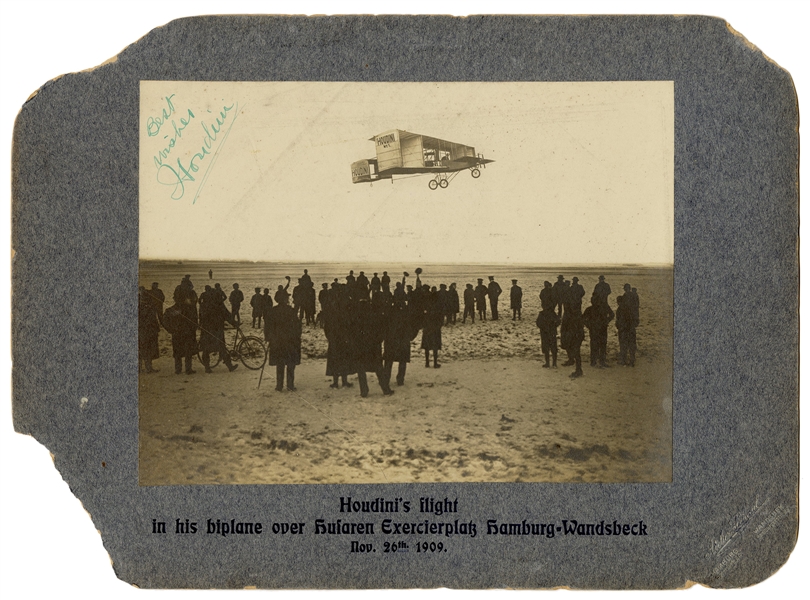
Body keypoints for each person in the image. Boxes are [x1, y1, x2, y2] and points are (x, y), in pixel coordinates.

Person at [351, 296, 393, 397]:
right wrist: (378, 340)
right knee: (378, 368)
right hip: (373, 347)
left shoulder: (356, 316)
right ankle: (385, 389)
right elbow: (382, 329)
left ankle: (364, 391)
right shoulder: (375, 315)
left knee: (361, 369)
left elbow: (352, 331)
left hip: (361, 346)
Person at [265, 293, 301, 391]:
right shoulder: (291, 311)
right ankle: (290, 385)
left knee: (280, 363)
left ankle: (279, 385)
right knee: (290, 363)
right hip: (290, 341)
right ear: (285, 299)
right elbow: (297, 326)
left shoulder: (272, 311)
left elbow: (268, 326)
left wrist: (268, 337)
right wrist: (297, 337)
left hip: (277, 342)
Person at [198, 291, 238, 373]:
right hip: (217, 330)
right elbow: (227, 315)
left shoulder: (204, 306)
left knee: (206, 349)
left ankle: (207, 368)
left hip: (207, 330)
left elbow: (201, 317)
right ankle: (229, 366)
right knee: (222, 348)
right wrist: (234, 323)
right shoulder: (219, 305)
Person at [162, 288, 198, 375]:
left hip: (177, 334)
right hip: (186, 333)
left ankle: (178, 369)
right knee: (187, 352)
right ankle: (188, 369)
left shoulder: (170, 310)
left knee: (178, 352)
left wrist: (171, 330)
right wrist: (193, 329)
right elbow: (194, 321)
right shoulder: (189, 309)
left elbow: (164, 321)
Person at [384, 300, 417, 386]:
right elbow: (415, 325)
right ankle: (400, 379)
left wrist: (385, 336)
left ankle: (386, 379)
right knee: (402, 360)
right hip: (403, 340)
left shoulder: (389, 311)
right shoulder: (407, 312)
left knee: (388, 360)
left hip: (391, 340)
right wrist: (411, 336)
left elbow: (382, 325)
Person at [582, 294, 614, 368]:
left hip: (601, 329)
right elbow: (583, 318)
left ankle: (601, 361)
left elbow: (612, 314)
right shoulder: (589, 309)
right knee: (595, 345)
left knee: (602, 345)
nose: (595, 302)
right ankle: (594, 361)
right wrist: (589, 325)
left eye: (596, 301)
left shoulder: (604, 308)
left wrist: (607, 321)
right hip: (594, 329)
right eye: (594, 301)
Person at [138, 287, 161, 373]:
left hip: (147, 331)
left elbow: (154, 319)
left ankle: (145, 368)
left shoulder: (150, 307)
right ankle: (145, 368)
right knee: (144, 349)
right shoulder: (146, 308)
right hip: (145, 331)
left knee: (145, 349)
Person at [421, 289, 443, 368]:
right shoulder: (438, 307)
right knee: (435, 346)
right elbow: (441, 318)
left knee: (427, 346)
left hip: (427, 328)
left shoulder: (427, 306)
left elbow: (423, 317)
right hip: (435, 329)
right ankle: (435, 363)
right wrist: (439, 325)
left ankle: (427, 362)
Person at [615, 295, 637, 366]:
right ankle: (631, 360)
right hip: (630, 329)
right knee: (631, 346)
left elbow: (619, 320)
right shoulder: (629, 308)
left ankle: (624, 360)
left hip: (624, 330)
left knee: (623, 345)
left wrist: (619, 326)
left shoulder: (620, 310)